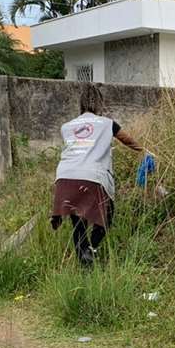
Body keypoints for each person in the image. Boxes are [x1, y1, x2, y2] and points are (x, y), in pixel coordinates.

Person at [50, 85, 145, 265]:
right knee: (107, 215)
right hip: (92, 177)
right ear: (100, 103)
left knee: (78, 224)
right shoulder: (107, 123)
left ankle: (85, 263)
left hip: (65, 178)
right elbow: (126, 140)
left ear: (80, 104)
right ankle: (92, 249)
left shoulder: (66, 127)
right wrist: (144, 150)